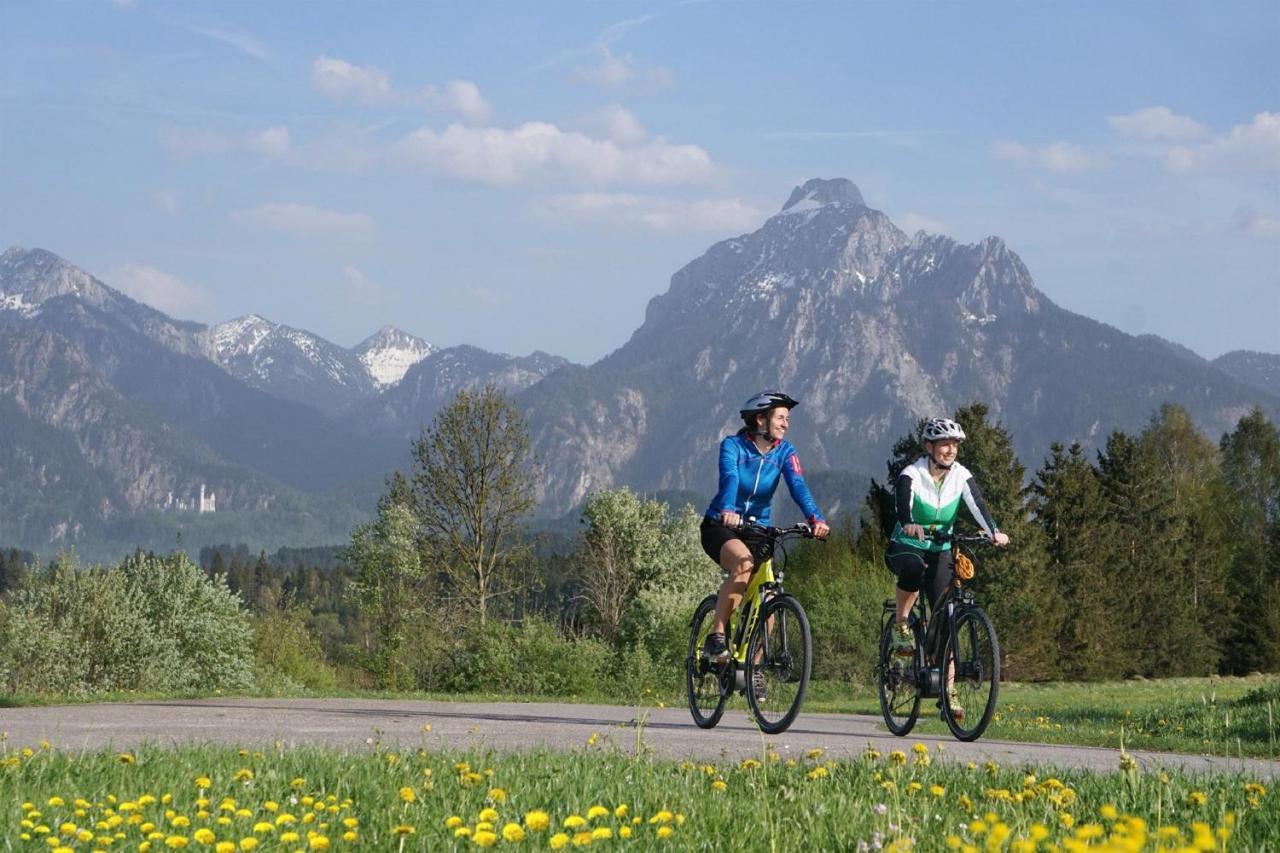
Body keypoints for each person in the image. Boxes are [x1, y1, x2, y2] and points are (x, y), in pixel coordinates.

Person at [885, 417, 1010, 718]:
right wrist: (909, 524)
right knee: (913, 569)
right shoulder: (911, 474)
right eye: (944, 444)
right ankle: (902, 624)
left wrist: (994, 531)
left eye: (954, 445)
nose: (950, 450)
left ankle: (949, 691)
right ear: (929, 447)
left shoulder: (960, 475)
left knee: (948, 617)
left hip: (941, 549)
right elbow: (903, 505)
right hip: (908, 545)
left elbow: (977, 504)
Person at [701, 391, 830, 665]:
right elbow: (730, 478)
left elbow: (798, 485)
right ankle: (717, 635)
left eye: (788, 418)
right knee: (744, 564)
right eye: (781, 417)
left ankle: (754, 667)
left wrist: (815, 519)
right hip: (720, 525)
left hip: (758, 529)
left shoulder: (786, 452)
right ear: (761, 419)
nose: (786, 423)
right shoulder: (733, 446)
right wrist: (728, 510)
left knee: (770, 598)